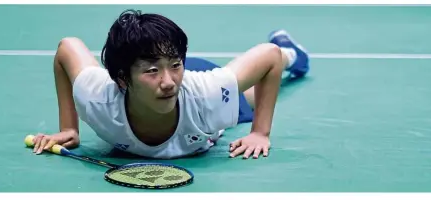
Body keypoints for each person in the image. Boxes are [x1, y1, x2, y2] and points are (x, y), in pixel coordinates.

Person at [31, 9, 310, 159]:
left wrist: (260, 132)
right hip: (166, 84)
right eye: (152, 71)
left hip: (197, 86)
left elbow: (267, 57)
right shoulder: (98, 97)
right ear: (121, 78)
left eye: (175, 65)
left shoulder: (208, 95)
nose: (167, 83)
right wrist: (69, 128)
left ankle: (291, 50)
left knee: (248, 96)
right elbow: (67, 48)